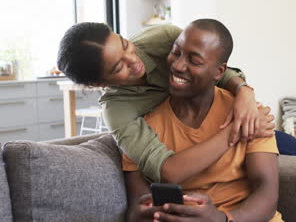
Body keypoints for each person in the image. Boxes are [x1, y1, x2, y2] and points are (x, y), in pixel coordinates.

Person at [57, 22, 275, 185]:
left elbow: (211, 67)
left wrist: (244, 91)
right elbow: (167, 171)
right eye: (118, 67)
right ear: (98, 83)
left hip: (216, 118)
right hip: (189, 144)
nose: (133, 61)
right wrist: (234, 132)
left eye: (125, 45)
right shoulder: (118, 112)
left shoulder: (162, 38)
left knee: (283, 145)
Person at [122, 19, 282, 222]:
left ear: (219, 72)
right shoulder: (143, 130)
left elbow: (267, 193)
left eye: (194, 61)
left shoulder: (250, 114)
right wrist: (145, 213)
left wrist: (223, 219)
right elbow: (136, 207)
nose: (178, 65)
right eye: (176, 52)